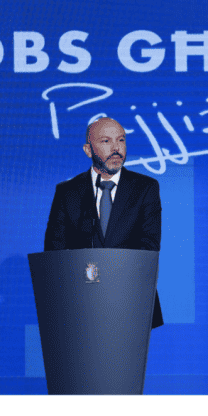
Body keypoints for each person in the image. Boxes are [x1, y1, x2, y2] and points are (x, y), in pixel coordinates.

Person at [44, 117, 163, 328]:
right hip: (80, 303)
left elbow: (149, 247)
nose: (116, 148)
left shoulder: (145, 188)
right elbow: (55, 251)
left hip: (131, 301)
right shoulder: (67, 192)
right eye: (106, 141)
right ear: (88, 150)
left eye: (121, 140)